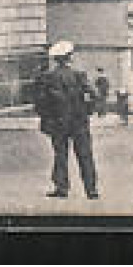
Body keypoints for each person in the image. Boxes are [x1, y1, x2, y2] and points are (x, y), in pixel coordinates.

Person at [32, 40, 100, 200]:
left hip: (58, 123)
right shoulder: (79, 75)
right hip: (79, 122)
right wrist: (87, 111)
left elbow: (40, 101)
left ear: (56, 59)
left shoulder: (48, 77)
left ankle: (62, 188)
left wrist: (46, 118)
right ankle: (91, 190)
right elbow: (94, 95)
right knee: (85, 155)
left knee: (60, 155)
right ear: (70, 57)